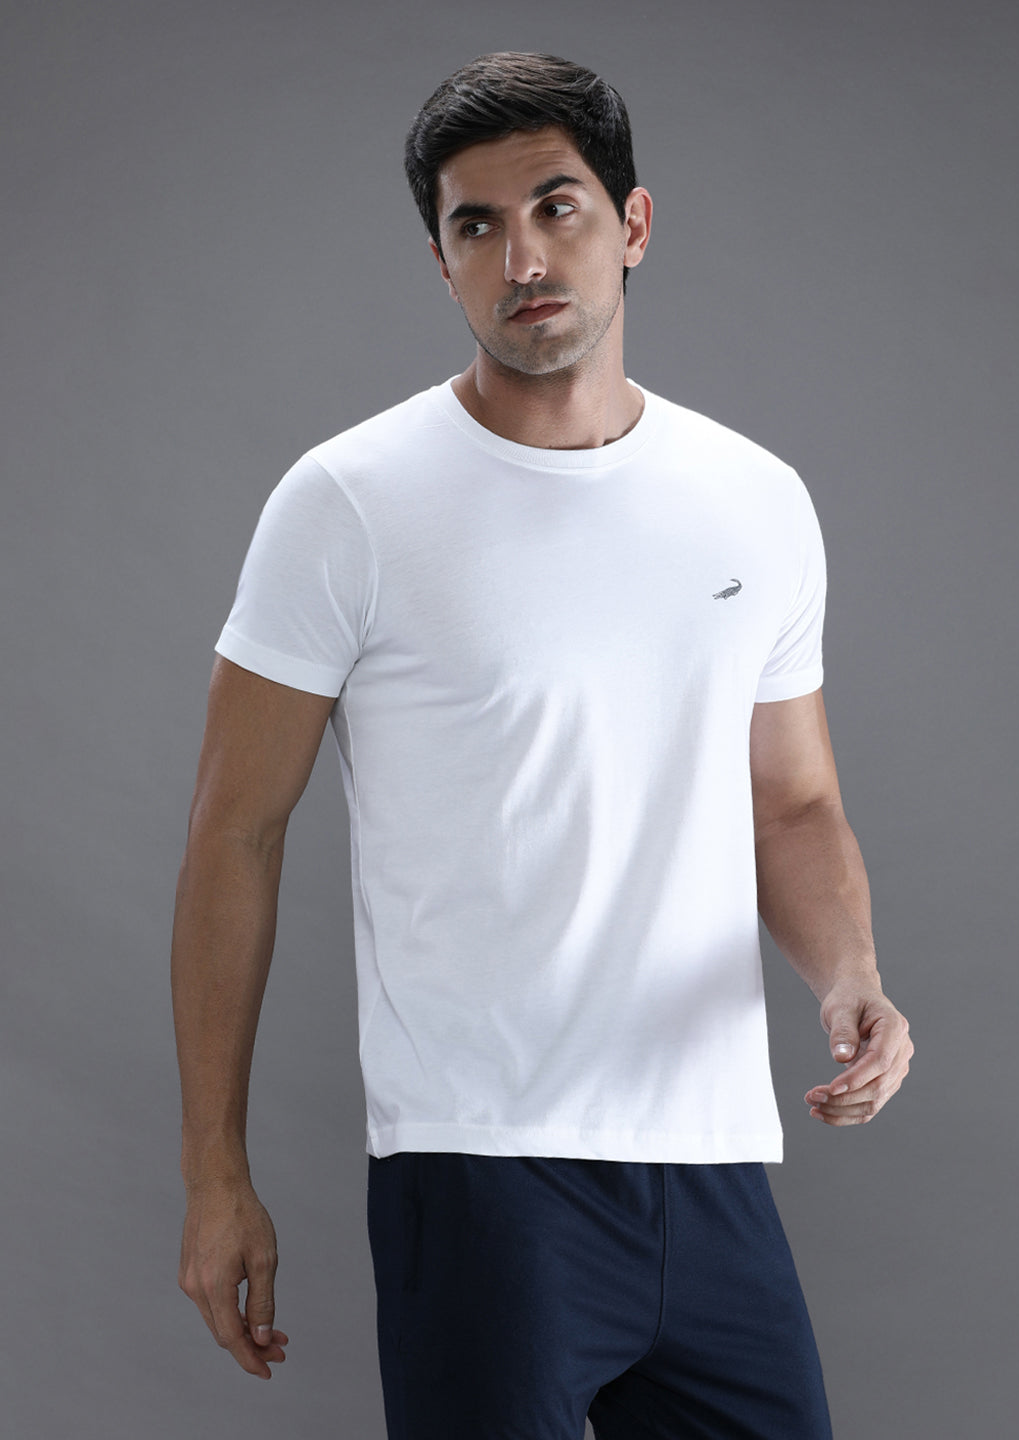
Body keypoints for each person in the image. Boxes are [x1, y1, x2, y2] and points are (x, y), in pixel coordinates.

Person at [172, 51, 913, 1439]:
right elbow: (235, 833)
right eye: (477, 225)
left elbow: (792, 806)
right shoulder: (349, 503)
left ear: (632, 225)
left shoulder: (754, 500)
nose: (522, 256)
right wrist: (216, 1175)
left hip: (712, 1166)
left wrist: (850, 978)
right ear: (440, 261)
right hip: (480, 1170)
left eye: (557, 208)